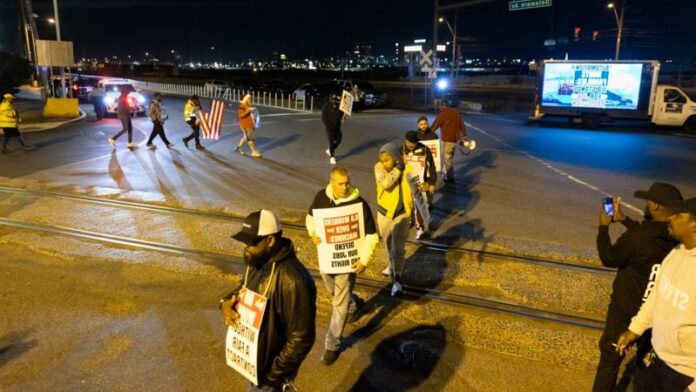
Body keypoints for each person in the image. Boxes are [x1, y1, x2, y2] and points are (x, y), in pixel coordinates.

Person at [593, 182, 683, 392]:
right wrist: (625, 220)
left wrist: (603, 227)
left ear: (657, 206)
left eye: (648, 201)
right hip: (655, 316)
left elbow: (609, 257)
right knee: (646, 364)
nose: (645, 204)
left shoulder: (636, 239)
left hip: (624, 313)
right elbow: (647, 234)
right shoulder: (677, 238)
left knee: (609, 362)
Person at [221, 209, 317, 391]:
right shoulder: (258, 261)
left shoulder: (293, 280)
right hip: (254, 367)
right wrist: (226, 302)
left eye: (251, 243)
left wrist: (273, 375)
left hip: (268, 376)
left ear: (270, 240)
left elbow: (301, 338)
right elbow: (244, 288)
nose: (245, 248)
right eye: (244, 242)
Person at [616, 197, 696, 392]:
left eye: (678, 216)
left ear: (694, 226)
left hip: (684, 374)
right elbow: (656, 295)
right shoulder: (677, 252)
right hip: (655, 359)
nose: (670, 218)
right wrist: (635, 329)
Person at [305, 166, 379, 366]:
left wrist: (364, 259)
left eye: (347, 182)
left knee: (338, 304)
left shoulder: (359, 203)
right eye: (340, 183)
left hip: (347, 264)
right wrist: (312, 232)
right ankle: (354, 303)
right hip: (327, 261)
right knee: (337, 296)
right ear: (331, 181)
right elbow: (310, 218)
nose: (345, 187)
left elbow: (372, 235)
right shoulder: (321, 197)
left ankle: (332, 343)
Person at [375, 143, 414, 296]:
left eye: (387, 160)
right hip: (384, 214)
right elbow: (386, 184)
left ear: (396, 158)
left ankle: (397, 279)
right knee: (387, 244)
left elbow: (416, 189)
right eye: (382, 160)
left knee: (397, 249)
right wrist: (398, 169)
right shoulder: (378, 168)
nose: (384, 163)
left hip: (403, 215)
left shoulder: (409, 170)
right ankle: (392, 265)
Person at [401, 130, 437, 240]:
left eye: (413, 143)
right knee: (406, 205)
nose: (410, 145)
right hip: (406, 184)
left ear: (417, 142)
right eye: (408, 142)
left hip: (420, 183)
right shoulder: (402, 150)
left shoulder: (425, 150)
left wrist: (431, 183)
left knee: (419, 206)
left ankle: (421, 229)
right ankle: (408, 221)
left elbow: (432, 167)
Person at [430, 100, 467, 183]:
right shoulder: (456, 113)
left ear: (443, 105)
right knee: (448, 157)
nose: (439, 107)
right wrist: (464, 137)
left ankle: (450, 177)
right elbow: (462, 125)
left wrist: (426, 135)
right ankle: (445, 172)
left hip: (446, 140)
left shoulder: (443, 114)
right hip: (454, 141)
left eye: (440, 106)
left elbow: (435, 125)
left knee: (447, 158)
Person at [321, 93, 344, 165]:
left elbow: (342, 115)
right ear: (330, 99)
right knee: (331, 141)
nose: (334, 101)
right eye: (333, 99)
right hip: (329, 127)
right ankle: (332, 157)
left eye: (335, 100)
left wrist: (344, 117)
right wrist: (328, 125)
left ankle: (331, 150)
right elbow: (323, 117)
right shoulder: (326, 106)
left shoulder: (340, 106)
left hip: (337, 126)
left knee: (339, 139)